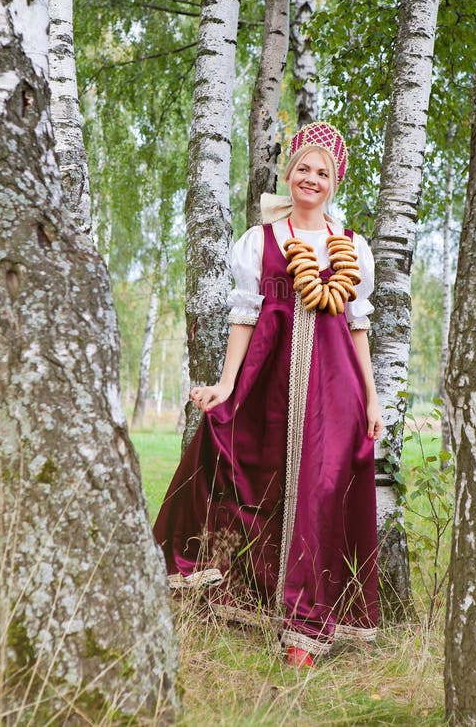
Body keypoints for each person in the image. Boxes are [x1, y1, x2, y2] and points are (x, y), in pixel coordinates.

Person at [153, 122, 382, 667]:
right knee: (256, 477)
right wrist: (227, 384)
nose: (311, 178)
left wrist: (372, 399)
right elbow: (244, 318)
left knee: (323, 492)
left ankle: (307, 627)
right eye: (303, 167)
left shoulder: (352, 248)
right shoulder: (259, 242)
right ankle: (247, 602)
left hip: (337, 392)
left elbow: (357, 327)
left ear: (335, 182)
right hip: (269, 385)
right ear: (289, 173)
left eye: (323, 172)